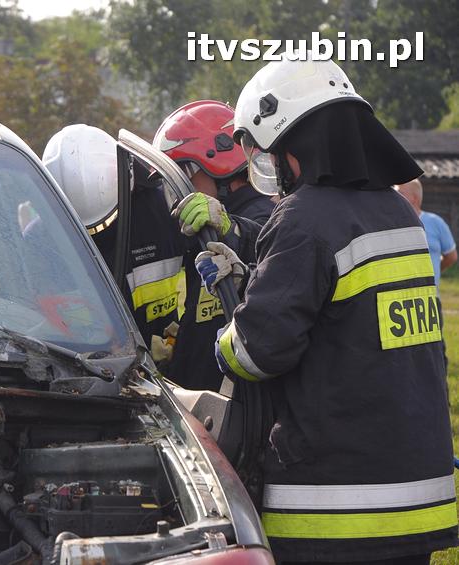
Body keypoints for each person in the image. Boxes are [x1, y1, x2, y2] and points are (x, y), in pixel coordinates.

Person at [197, 55, 457, 562]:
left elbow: (256, 353)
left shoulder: (304, 216)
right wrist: (256, 280)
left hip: (335, 509)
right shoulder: (399, 214)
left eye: (268, 153)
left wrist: (230, 325)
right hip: (418, 497)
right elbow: (351, 324)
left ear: (294, 145)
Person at [43, 125, 184, 366]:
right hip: (82, 374)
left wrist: (183, 345)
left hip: (171, 372)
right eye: (86, 230)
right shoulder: (41, 239)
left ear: (127, 184)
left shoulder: (165, 214)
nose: (99, 233)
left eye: (105, 221)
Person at [153, 100, 271, 390]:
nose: (178, 190)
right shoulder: (203, 231)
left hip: (240, 414)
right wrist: (179, 347)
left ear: (214, 164)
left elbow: (266, 248)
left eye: (184, 174)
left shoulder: (264, 217)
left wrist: (232, 230)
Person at [397, 179, 457, 287]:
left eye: (400, 194)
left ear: (414, 198)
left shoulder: (436, 222)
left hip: (432, 296)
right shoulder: (393, 224)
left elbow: (451, 256)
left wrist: (434, 272)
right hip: (402, 295)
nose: (395, 198)